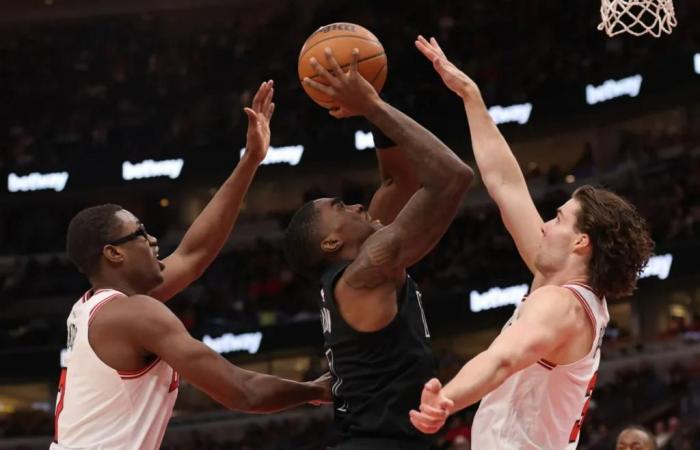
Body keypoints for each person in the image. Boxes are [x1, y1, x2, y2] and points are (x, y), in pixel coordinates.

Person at [51, 81, 331, 450]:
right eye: (140, 233)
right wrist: (319, 390)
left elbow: (193, 254)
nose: (153, 241)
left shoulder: (95, 309)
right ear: (113, 254)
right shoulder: (135, 315)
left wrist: (250, 160)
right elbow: (242, 391)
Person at [410, 36, 654, 450]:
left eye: (557, 218)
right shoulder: (559, 281)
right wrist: (471, 97)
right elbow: (505, 184)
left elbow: (503, 358)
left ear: (580, 242)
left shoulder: (560, 306)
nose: (543, 225)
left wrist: (446, 400)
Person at [284, 48, 474, 450]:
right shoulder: (367, 271)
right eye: (340, 207)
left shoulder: (359, 263)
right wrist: (371, 105)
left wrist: (373, 100)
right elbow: (452, 177)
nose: (356, 204)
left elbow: (395, 182)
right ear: (331, 242)